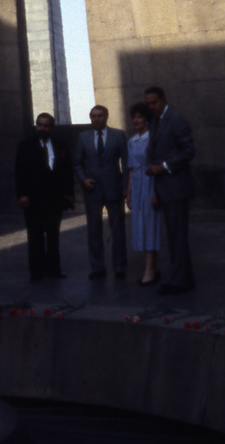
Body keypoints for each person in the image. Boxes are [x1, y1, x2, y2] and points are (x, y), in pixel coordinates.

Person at [144, 86, 195, 294]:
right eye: (148, 103)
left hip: (176, 187)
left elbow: (188, 151)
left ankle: (180, 281)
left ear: (164, 100)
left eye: (154, 102)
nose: (151, 106)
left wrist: (163, 167)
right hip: (163, 189)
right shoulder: (155, 122)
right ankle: (181, 277)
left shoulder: (177, 120)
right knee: (174, 236)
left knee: (178, 236)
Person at [15, 112, 75, 280]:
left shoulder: (60, 144)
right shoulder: (25, 145)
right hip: (33, 198)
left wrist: (69, 193)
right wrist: (22, 195)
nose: (42, 128)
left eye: (46, 125)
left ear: (51, 128)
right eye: (39, 125)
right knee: (35, 236)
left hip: (54, 198)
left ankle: (54, 269)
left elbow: (67, 171)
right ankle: (37, 271)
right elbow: (20, 172)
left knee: (53, 234)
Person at [74, 104, 128, 278]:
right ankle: (97, 268)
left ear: (106, 117)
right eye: (93, 116)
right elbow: (77, 163)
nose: (96, 119)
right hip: (92, 189)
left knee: (118, 230)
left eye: (100, 116)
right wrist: (83, 179)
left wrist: (126, 186)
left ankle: (119, 266)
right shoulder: (83, 137)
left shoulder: (119, 135)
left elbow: (126, 164)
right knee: (94, 230)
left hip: (114, 188)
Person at [125, 101, 162, 286]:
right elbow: (131, 168)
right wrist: (129, 193)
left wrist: (156, 193)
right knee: (141, 225)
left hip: (150, 182)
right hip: (138, 184)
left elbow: (155, 164)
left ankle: (150, 269)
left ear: (147, 119)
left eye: (140, 117)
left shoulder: (152, 138)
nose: (136, 120)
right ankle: (152, 267)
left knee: (151, 224)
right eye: (134, 117)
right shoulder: (131, 141)